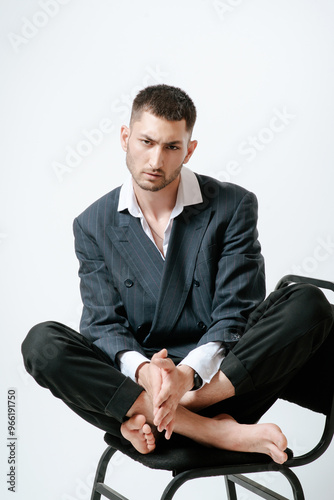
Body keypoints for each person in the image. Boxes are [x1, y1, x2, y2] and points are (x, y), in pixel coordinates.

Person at [22, 84, 334, 465]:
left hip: (226, 386)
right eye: (146, 142)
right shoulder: (92, 224)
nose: (156, 159)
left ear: (189, 149)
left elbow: (237, 313)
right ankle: (213, 431)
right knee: (42, 344)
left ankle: (170, 412)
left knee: (308, 302)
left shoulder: (233, 205)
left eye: (171, 147)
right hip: (142, 394)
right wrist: (146, 373)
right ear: (125, 138)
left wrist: (184, 381)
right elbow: (104, 326)